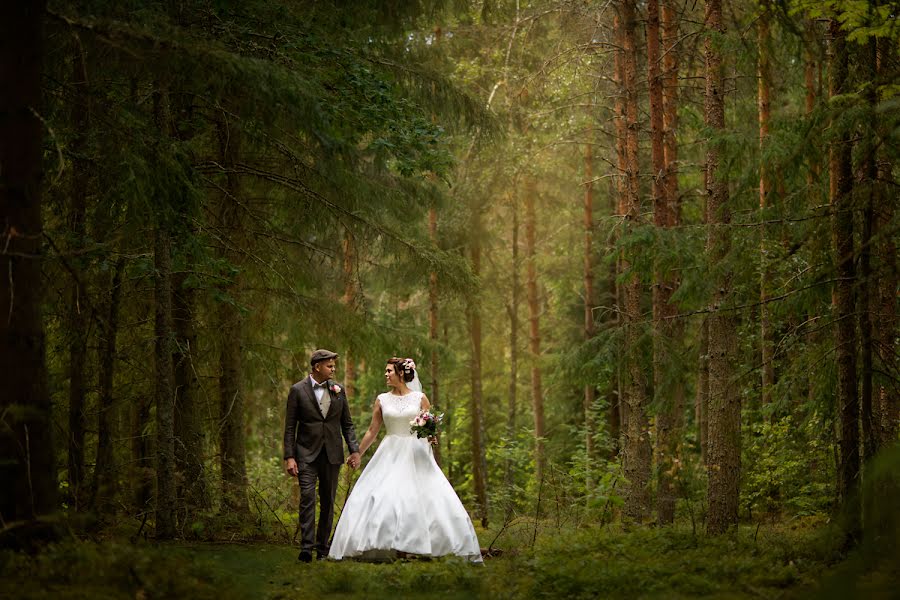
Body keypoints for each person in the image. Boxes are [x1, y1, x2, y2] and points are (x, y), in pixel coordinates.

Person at [328, 357, 483, 563]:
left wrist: (431, 434)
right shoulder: (382, 399)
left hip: (416, 452)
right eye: (385, 371)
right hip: (390, 451)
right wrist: (358, 453)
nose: (386, 374)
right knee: (385, 496)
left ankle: (427, 545)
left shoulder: (420, 398)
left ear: (401, 373)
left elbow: (430, 427)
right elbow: (373, 430)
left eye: (389, 371)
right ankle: (389, 546)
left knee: (423, 497)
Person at [283, 349, 361, 562]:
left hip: (332, 454)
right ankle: (306, 548)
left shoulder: (339, 390)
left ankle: (322, 548)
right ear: (317, 366)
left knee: (327, 501)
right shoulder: (297, 390)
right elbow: (290, 427)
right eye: (329, 366)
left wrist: (354, 450)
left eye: (334, 366)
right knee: (307, 498)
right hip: (306, 454)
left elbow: (347, 424)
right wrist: (289, 457)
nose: (333, 369)